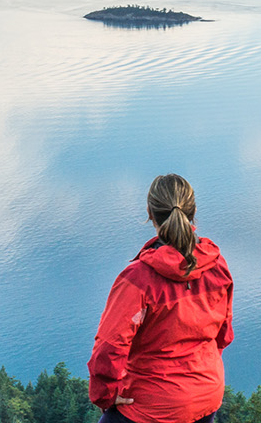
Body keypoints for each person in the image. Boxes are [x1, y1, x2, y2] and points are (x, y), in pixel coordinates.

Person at [89, 174, 235, 423]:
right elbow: (224, 334)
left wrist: (105, 395)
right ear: (193, 211)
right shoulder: (216, 265)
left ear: (150, 212)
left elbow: (109, 347)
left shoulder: (138, 279)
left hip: (150, 405)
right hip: (206, 396)